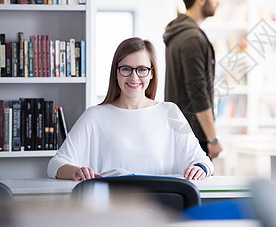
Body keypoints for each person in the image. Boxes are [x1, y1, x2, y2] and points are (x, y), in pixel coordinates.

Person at [47, 37, 213, 181]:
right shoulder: (95, 115)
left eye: (142, 69)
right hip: (113, 209)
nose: (134, 77)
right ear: (116, 73)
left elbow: (203, 161)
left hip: (161, 207)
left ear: (151, 73)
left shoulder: (169, 112)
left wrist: (200, 168)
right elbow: (55, 164)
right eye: (126, 69)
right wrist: (76, 171)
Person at [163, 0, 223, 159]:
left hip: (178, 132)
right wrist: (212, 138)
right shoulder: (192, 38)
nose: (218, 1)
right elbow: (198, 91)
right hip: (193, 137)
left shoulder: (178, 33)